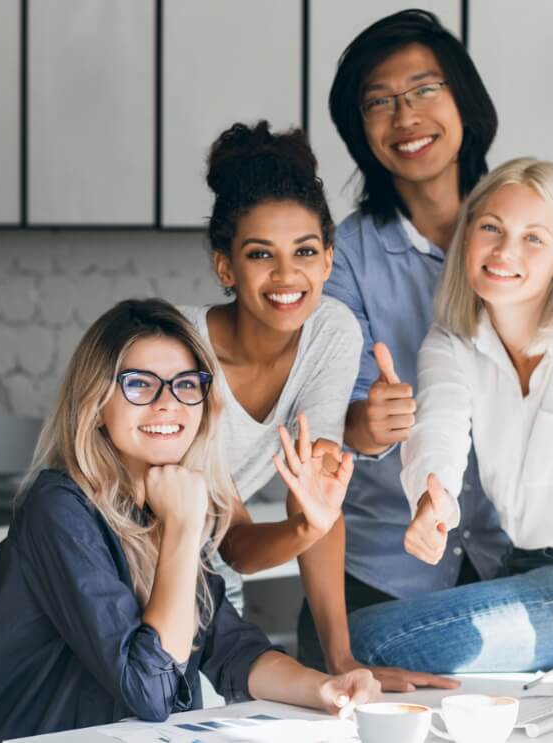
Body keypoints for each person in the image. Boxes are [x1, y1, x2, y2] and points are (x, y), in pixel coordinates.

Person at [297, 9, 553, 671]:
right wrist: (379, 437)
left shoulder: (535, 214)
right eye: (380, 103)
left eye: (425, 89)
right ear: (358, 129)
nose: (406, 115)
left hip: (536, 568)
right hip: (392, 566)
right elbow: (368, 423)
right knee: (341, 661)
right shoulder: (352, 265)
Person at [0, 299, 379, 743]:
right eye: (140, 385)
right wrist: (182, 527)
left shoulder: (165, 499)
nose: (167, 404)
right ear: (96, 404)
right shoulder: (60, 508)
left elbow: (231, 648)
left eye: (185, 385)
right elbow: (150, 689)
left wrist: (324, 688)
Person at [348, 157, 553, 671]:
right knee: (341, 638)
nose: (504, 251)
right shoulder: (452, 341)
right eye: (491, 227)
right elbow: (439, 428)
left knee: (370, 642)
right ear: (468, 234)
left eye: (533, 238)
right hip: (524, 567)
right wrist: (434, 504)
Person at [182, 121, 453, 692]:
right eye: (261, 254)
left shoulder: (329, 331)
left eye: (305, 251)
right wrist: (308, 521)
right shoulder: (180, 353)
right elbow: (238, 543)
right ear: (225, 267)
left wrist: (342, 658)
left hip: (201, 573)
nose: (287, 276)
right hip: (106, 565)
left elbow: (319, 494)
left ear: (329, 260)